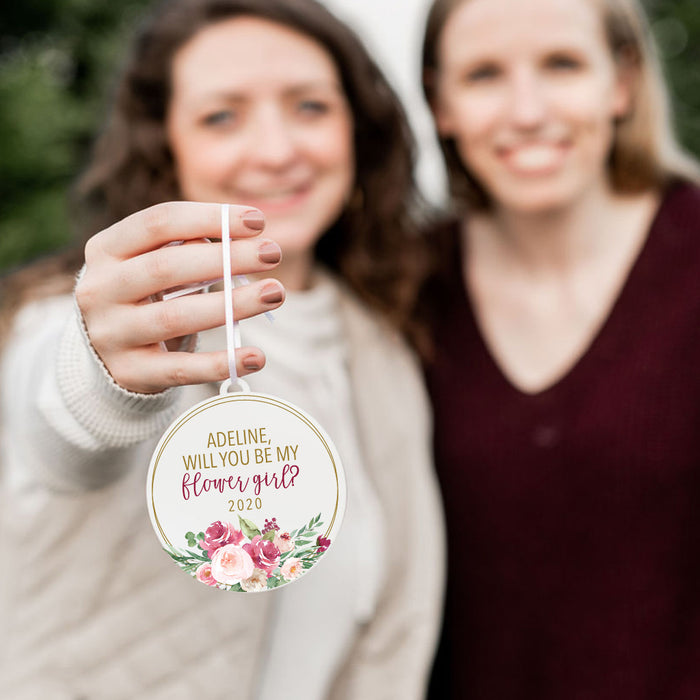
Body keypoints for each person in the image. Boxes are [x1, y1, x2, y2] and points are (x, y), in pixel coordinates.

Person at [0, 0, 445, 697]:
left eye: (309, 107)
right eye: (221, 116)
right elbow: (58, 428)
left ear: (359, 129)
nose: (275, 149)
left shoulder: (384, 340)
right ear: (164, 143)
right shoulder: (90, 317)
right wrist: (102, 374)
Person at [416, 0, 700, 697]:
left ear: (621, 84)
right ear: (439, 103)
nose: (527, 111)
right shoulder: (403, 287)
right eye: (483, 75)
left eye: (562, 64)